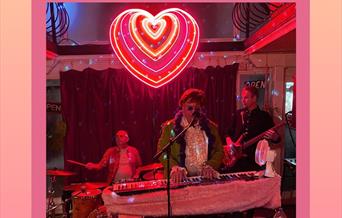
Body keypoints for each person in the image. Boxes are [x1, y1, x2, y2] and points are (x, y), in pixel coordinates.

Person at [157, 88, 223, 183]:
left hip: (206, 180)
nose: (193, 112)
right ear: (182, 107)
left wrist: (210, 165)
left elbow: (219, 151)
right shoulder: (169, 128)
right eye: (190, 108)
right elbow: (162, 153)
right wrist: (174, 167)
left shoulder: (211, 127)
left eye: (197, 109)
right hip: (179, 180)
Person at [225, 86, 280, 172]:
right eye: (242, 97)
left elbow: (277, 139)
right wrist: (230, 145)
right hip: (236, 161)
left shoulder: (264, 116)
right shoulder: (238, 114)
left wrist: (274, 137)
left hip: (254, 161)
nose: (243, 100)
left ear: (254, 98)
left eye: (246, 97)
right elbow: (228, 133)